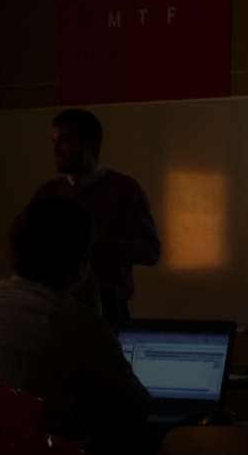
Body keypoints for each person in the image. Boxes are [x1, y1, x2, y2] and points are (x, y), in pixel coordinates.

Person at [0, 198, 151, 455]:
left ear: (9, 253)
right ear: (82, 264)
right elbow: (135, 413)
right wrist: (96, 321)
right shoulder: (79, 325)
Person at [33, 108, 161, 322]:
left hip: (107, 311)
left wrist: (103, 240)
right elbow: (21, 247)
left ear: (90, 143)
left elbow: (150, 251)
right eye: (54, 140)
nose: (55, 148)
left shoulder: (124, 189)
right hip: (54, 308)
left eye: (65, 139)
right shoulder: (46, 193)